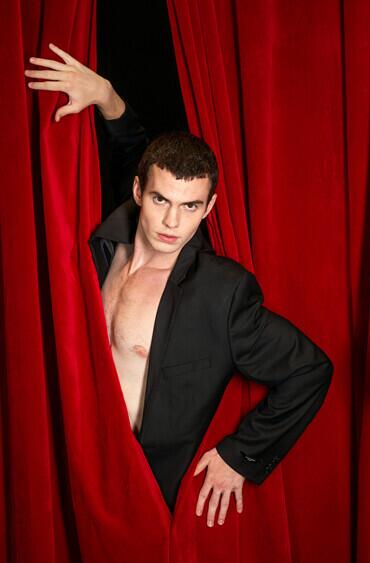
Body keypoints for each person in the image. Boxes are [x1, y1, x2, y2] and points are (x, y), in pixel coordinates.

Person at [26, 44, 333, 525]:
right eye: (160, 200)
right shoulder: (105, 248)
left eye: (190, 206)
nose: (172, 222)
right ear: (138, 193)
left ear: (209, 208)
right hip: (66, 463)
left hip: (142, 489)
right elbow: (135, 151)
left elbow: (310, 370)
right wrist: (106, 96)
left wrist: (242, 455)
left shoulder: (221, 291)